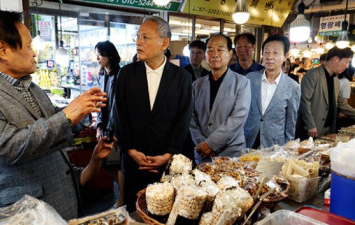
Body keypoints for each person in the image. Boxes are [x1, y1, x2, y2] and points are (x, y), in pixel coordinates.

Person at [0, 10, 115, 220]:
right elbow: (8, 146)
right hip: (19, 215)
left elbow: (51, 125)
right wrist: (67, 115)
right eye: (29, 45)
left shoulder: (30, 86)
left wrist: (84, 112)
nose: (34, 53)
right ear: (2, 49)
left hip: (59, 207)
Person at [115, 16, 192, 212]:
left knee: (163, 212)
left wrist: (168, 154)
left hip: (166, 163)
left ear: (164, 43)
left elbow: (183, 119)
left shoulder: (181, 77)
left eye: (145, 37)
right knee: (134, 212)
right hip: (134, 162)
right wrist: (131, 151)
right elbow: (120, 116)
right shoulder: (126, 74)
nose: (138, 42)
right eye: (138, 36)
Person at [190, 33, 251, 164]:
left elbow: (238, 118)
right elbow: (191, 117)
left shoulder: (241, 82)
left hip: (230, 154)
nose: (214, 54)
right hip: (202, 154)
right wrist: (202, 144)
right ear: (205, 55)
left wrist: (211, 144)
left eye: (220, 49)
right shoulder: (197, 84)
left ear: (230, 53)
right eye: (210, 49)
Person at [244, 35, 300, 148]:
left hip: (274, 145)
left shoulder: (293, 87)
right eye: (266, 52)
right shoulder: (249, 79)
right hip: (248, 142)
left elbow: (290, 123)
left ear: (285, 56)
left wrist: (287, 148)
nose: (269, 57)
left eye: (275, 53)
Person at [297, 46, 355, 139]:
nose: (347, 66)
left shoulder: (335, 79)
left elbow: (341, 104)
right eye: (346, 62)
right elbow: (304, 100)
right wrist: (310, 125)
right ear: (336, 59)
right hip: (314, 128)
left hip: (330, 127)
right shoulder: (312, 75)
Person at [94, 40, 124, 207]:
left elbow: (117, 106)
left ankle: (122, 198)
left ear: (109, 54)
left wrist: (111, 130)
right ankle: (122, 192)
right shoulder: (101, 75)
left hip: (116, 127)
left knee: (117, 163)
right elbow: (100, 103)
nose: (97, 57)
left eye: (100, 53)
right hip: (104, 125)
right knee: (105, 163)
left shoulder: (120, 74)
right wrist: (99, 125)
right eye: (96, 54)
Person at [337, 66, 355, 130]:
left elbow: (345, 98)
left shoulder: (345, 81)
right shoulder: (336, 79)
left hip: (340, 108)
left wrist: (343, 112)